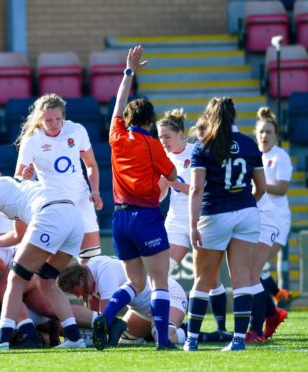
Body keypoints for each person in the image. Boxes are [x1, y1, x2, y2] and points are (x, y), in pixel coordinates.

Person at [92, 46, 177, 351]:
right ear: (151, 121)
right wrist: (191, 189)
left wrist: (129, 71)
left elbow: (117, 104)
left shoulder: (116, 137)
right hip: (146, 217)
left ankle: (107, 316)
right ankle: (164, 341)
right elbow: (172, 178)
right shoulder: (153, 145)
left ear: (127, 119)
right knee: (159, 282)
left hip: (119, 219)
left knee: (135, 283)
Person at [0, 161, 86, 350]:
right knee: (46, 281)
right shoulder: (14, 186)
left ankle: (2, 340)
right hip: (73, 218)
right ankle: (75, 338)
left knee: (15, 278)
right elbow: (17, 236)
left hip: (50, 214)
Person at [184, 97, 266, 352]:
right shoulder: (249, 144)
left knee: (203, 280)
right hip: (247, 213)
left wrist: (192, 224)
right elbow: (261, 188)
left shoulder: (203, 146)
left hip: (214, 214)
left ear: (209, 117)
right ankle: (238, 341)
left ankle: (192, 340)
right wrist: (242, 205)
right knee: (241, 280)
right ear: (234, 116)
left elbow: (196, 189)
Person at [158, 112, 230, 338]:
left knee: (211, 276)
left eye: (167, 136)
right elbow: (160, 194)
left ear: (181, 134)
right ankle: (166, 321)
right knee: (161, 271)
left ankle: (220, 328)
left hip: (202, 219)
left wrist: (174, 185)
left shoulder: (197, 153)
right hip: (176, 222)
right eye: (160, 137)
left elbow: (202, 190)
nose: (163, 142)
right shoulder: (162, 158)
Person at [14, 93, 103, 260]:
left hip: (81, 199)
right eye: (48, 120)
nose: (54, 124)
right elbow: (18, 178)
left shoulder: (77, 131)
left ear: (63, 116)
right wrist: (26, 176)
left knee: (92, 259)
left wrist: (95, 191)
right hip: (53, 205)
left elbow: (91, 164)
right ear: (39, 120)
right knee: (55, 263)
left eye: (57, 119)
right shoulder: (32, 140)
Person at [57, 257, 186, 345]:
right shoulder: (90, 272)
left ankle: (187, 331)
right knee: (125, 340)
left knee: (164, 338)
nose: (78, 295)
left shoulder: (105, 273)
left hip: (169, 296)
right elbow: (95, 314)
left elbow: (106, 317)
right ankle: (155, 329)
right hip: (141, 311)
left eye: (74, 291)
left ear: (80, 279)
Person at [251, 107, 290, 340]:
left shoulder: (280, 156)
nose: (264, 136)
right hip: (257, 218)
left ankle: (265, 318)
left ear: (275, 135)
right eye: (261, 132)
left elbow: (283, 188)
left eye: (268, 131)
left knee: (254, 269)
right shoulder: (255, 155)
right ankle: (275, 306)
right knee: (257, 269)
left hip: (277, 220)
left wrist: (259, 185)